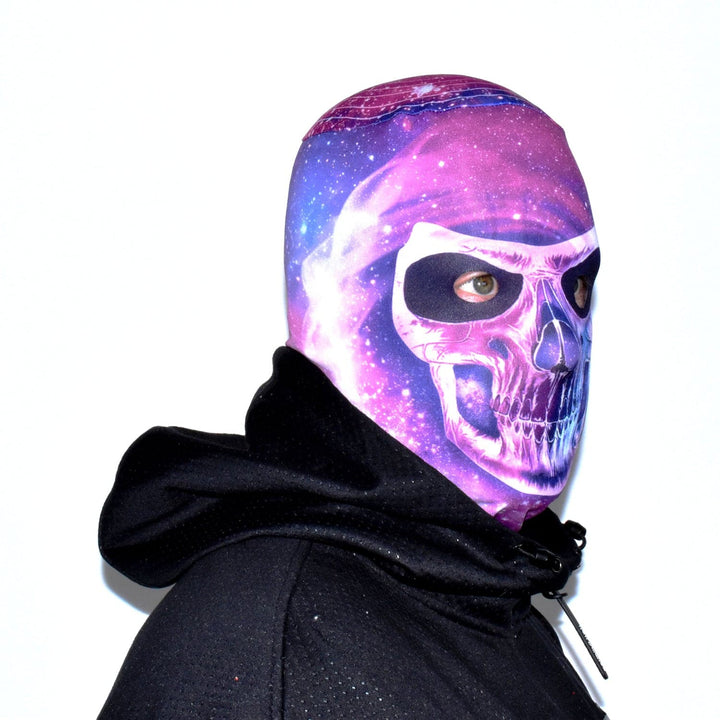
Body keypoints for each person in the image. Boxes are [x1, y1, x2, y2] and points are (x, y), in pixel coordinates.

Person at [98, 75, 607, 719]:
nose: (558, 350)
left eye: (576, 286)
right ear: (350, 304)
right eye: (480, 283)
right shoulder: (266, 650)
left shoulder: (488, 596)